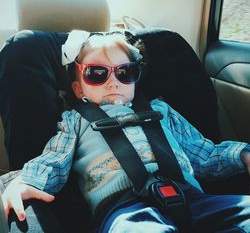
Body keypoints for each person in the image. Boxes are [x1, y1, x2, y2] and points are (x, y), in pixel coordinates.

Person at [2, 31, 250, 232]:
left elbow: (205, 154)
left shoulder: (160, 110)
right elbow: (54, 160)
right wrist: (26, 181)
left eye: (124, 72)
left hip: (194, 199)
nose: (113, 82)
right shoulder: (75, 120)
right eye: (97, 74)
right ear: (78, 90)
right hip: (125, 209)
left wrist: (242, 155)